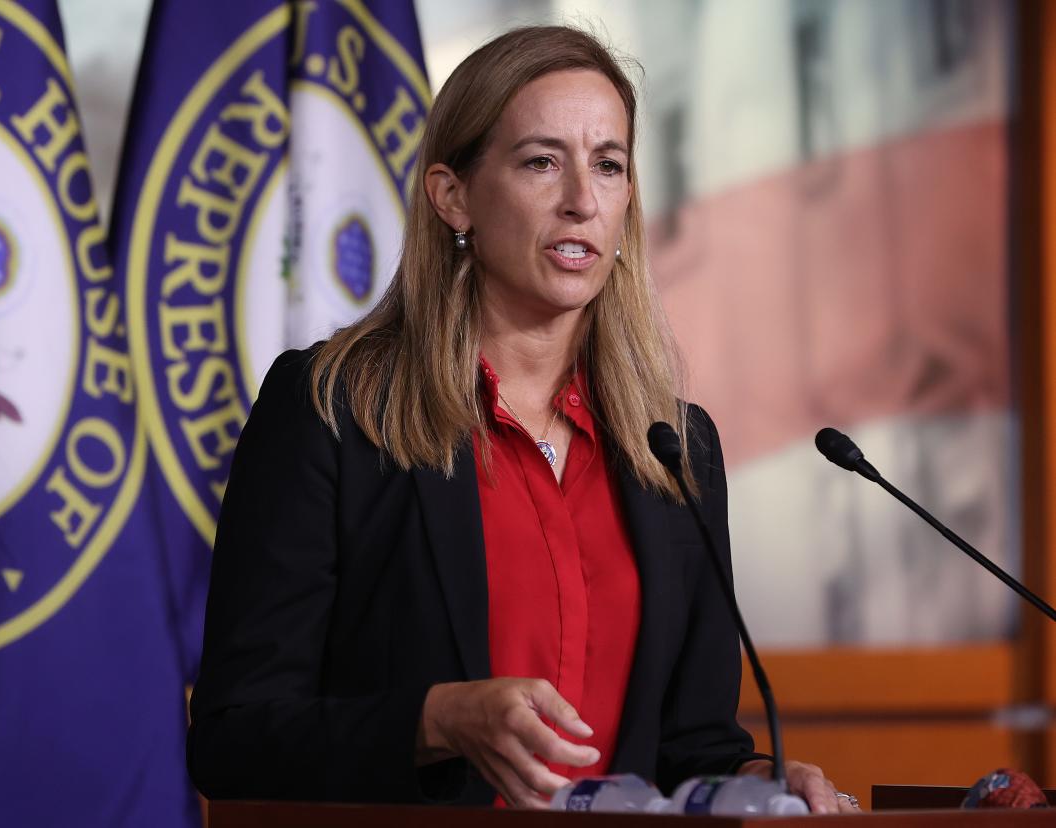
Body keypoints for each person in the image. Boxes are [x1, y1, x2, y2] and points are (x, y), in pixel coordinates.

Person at [187, 25, 858, 814]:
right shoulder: (334, 410)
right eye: (542, 161)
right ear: (453, 195)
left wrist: (752, 783)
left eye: (609, 165)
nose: (583, 198)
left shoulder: (675, 445)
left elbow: (690, 744)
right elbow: (234, 738)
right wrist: (436, 721)